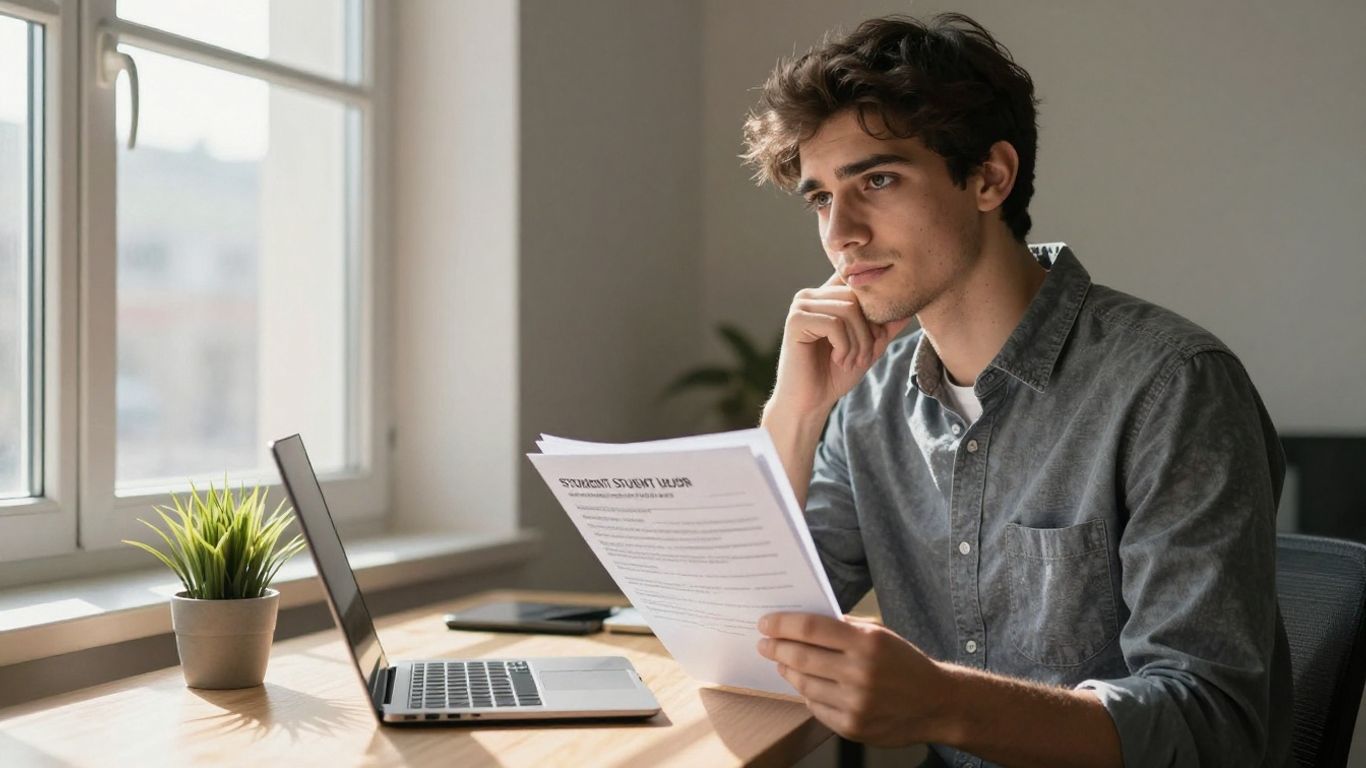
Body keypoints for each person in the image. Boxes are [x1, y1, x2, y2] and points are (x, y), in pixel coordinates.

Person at [745, 13, 1291, 768]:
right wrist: (795, 413)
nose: (841, 232)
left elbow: (1211, 726)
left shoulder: (1173, 385)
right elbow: (750, 631)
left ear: (989, 177)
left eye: (877, 180)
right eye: (820, 198)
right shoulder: (868, 406)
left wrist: (943, 702)